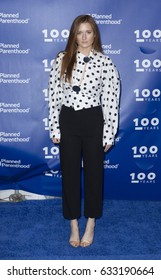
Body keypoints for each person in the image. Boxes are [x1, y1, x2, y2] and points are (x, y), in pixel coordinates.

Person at [48, 14, 120, 248]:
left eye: (88, 32)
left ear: (95, 34)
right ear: (74, 35)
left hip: (93, 120)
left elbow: (111, 100)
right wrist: (55, 126)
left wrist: (108, 132)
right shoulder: (62, 59)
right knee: (69, 173)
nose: (84, 36)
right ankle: (73, 223)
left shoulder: (105, 62)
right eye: (80, 32)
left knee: (94, 174)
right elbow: (54, 96)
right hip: (68, 119)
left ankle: (90, 222)